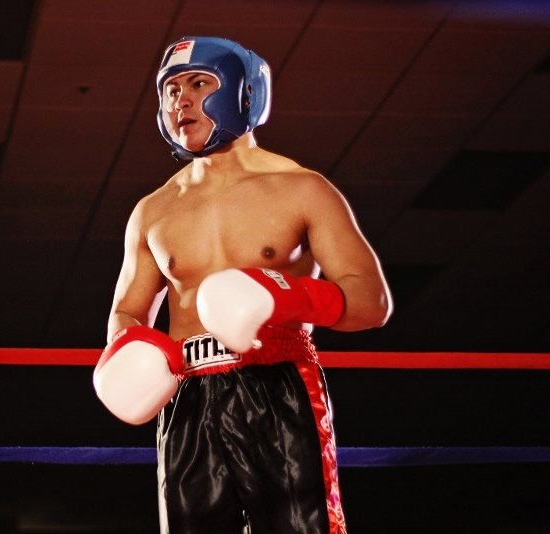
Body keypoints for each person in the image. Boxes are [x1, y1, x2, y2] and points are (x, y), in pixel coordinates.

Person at [93, 36, 392, 534]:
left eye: (198, 83)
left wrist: (284, 295)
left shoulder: (303, 189)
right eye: (171, 90)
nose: (181, 100)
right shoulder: (152, 210)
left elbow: (371, 301)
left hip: (277, 385)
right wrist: (128, 352)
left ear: (243, 91)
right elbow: (127, 310)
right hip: (187, 397)